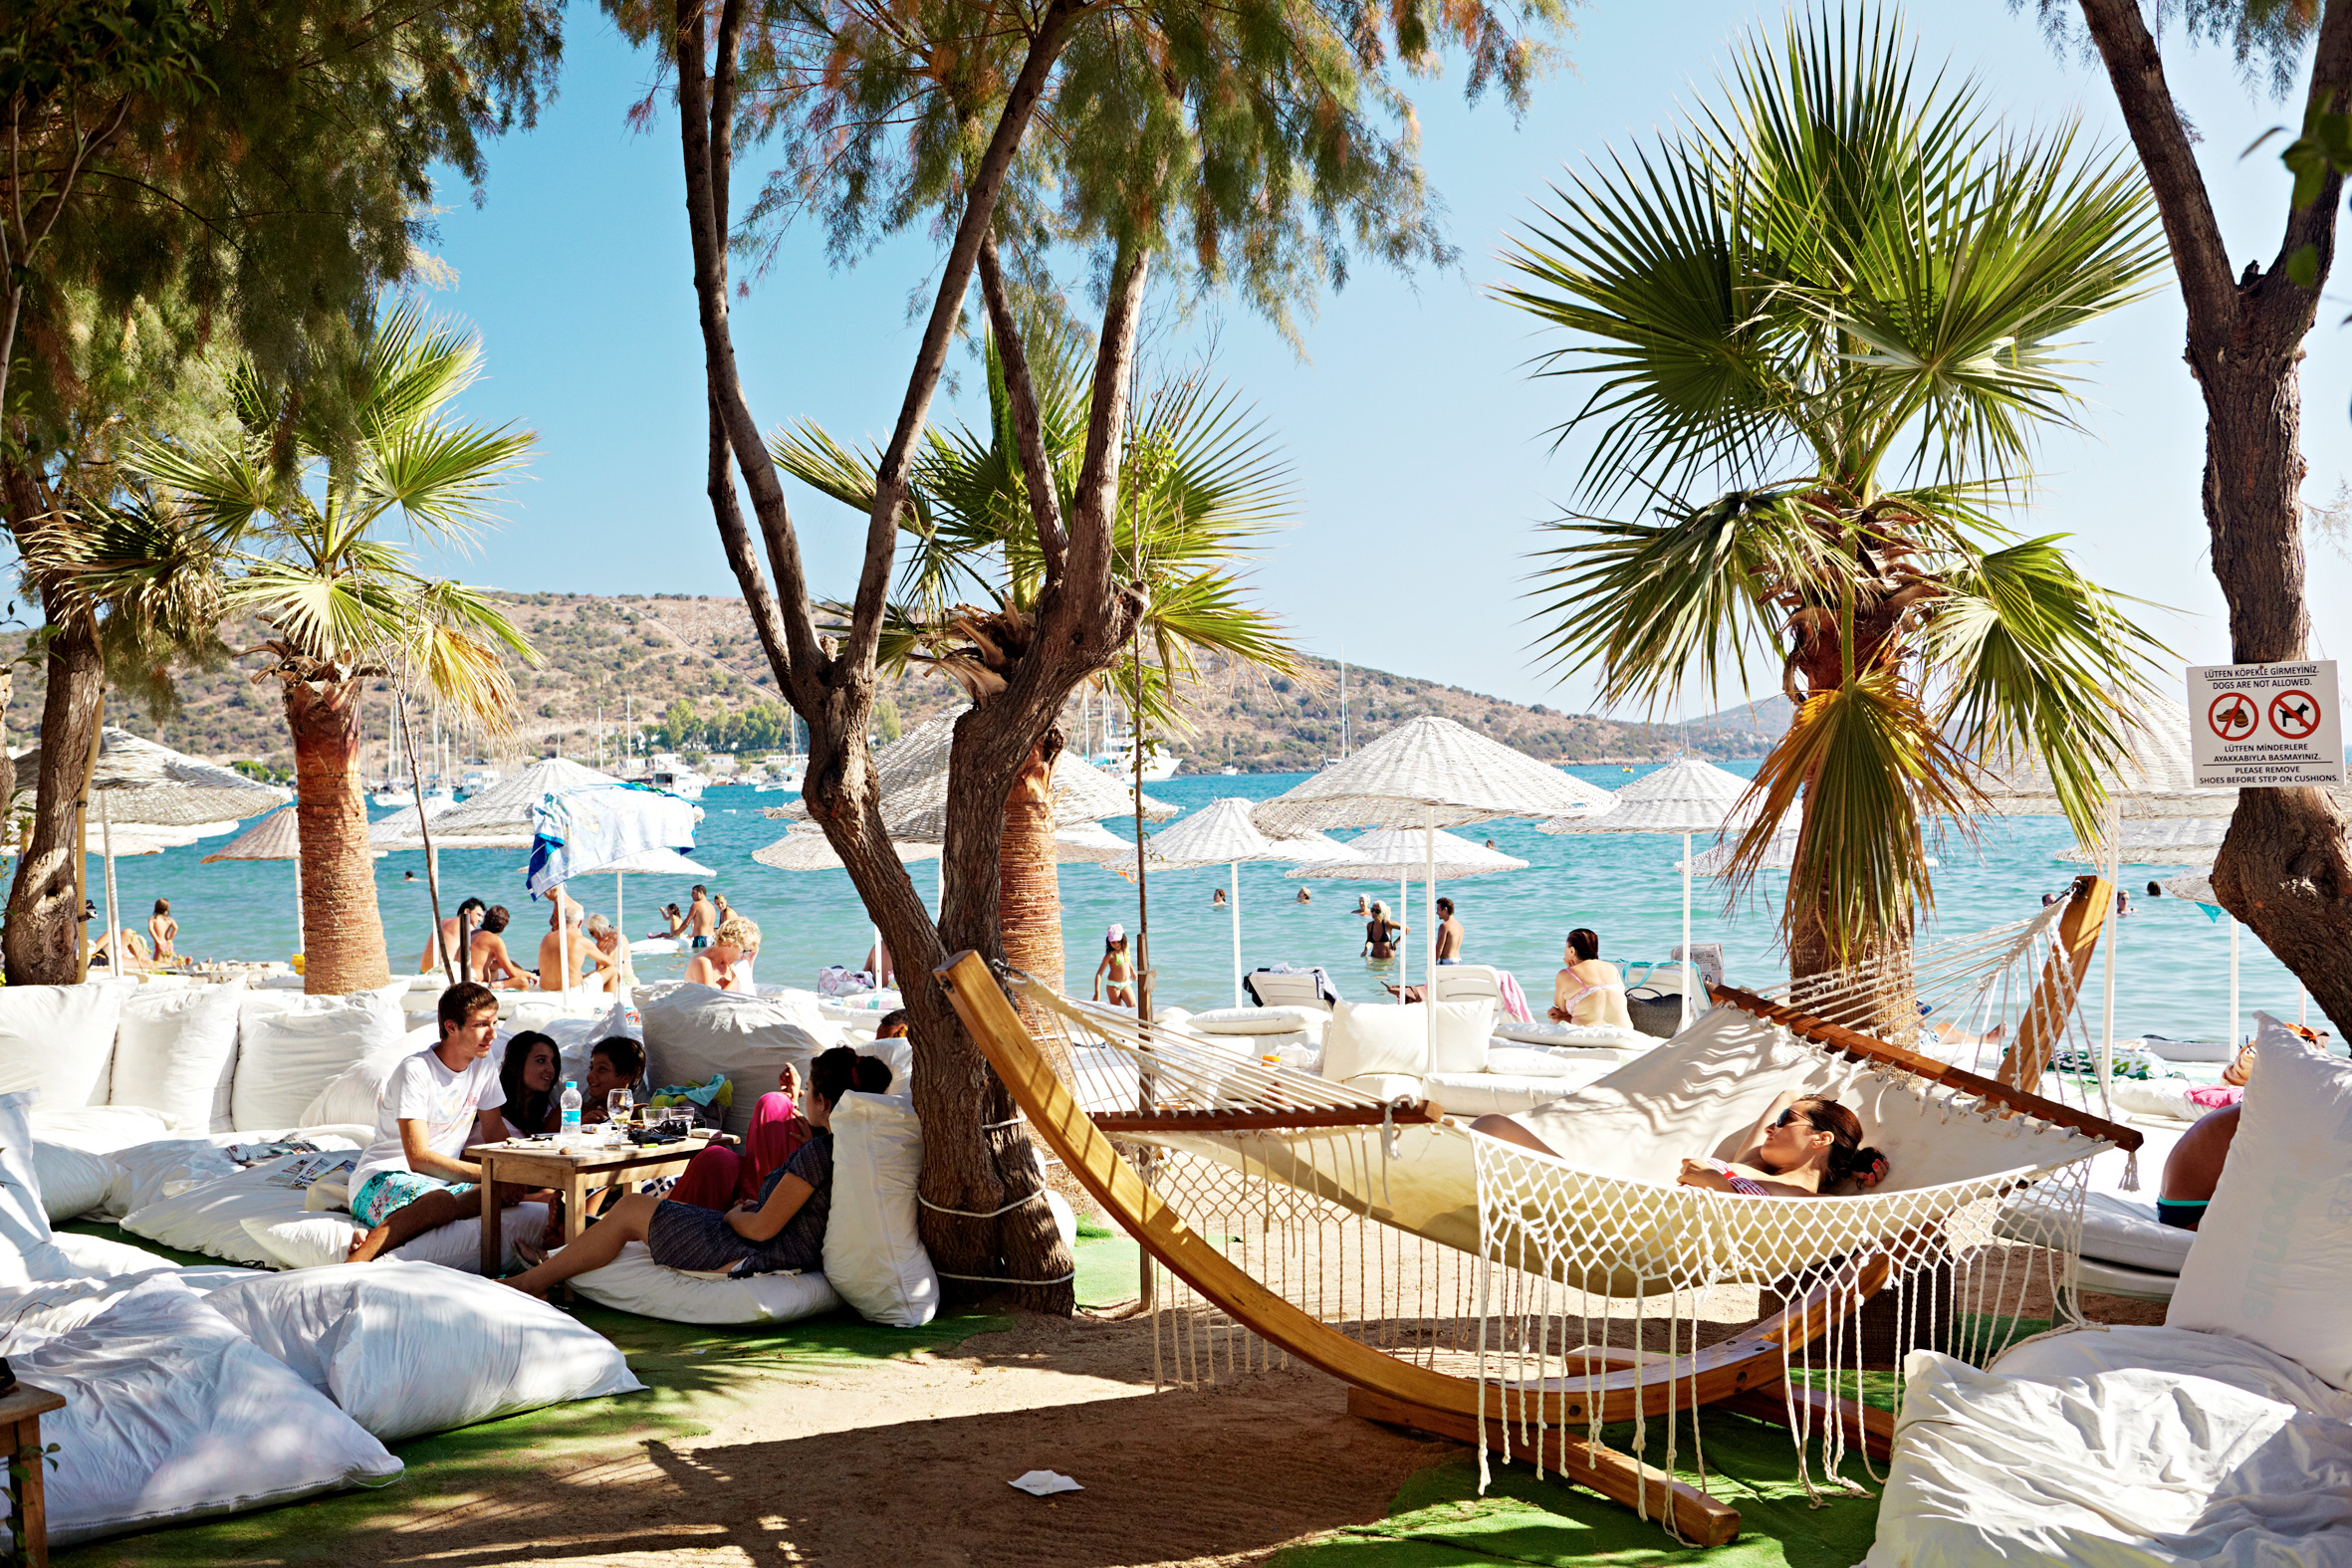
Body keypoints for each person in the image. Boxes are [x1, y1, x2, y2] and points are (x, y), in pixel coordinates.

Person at [503, 1045, 871, 1290]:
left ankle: (532, 1281)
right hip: (767, 1245)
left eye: (808, 1091)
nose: (801, 1100)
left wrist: (733, 1217)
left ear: (823, 1102)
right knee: (710, 1163)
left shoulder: (817, 1153)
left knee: (631, 1207)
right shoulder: (847, 1147)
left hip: (748, 1252)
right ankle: (562, 1255)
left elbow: (760, 1230)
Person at [347, 983, 517, 1261]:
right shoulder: (416, 1071)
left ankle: (395, 1224)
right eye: (481, 1025)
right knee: (440, 1201)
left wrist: (518, 1171)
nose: (492, 1034)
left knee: (503, 1192)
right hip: (382, 1177)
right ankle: (354, 1263)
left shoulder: (482, 1064)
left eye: (494, 1023)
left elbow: (495, 1133)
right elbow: (418, 1158)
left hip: (440, 1186)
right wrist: (490, 1174)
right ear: (451, 1027)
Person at [1472, 1091, 1890, 1199]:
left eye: (1784, 1123)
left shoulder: (1806, 1199)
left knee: (1492, 1127)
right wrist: (1854, 1158)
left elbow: (1766, 1221)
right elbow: (1787, 1093)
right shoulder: (1755, 1166)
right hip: (1619, 1196)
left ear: (1820, 1139)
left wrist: (1720, 1184)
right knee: (1493, 1125)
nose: (1770, 1128)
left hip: (1630, 1219)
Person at [667, 1057, 821, 1210]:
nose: (804, 1095)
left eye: (808, 1089)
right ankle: (667, 1219)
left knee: (773, 1101)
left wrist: (814, 1147)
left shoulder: (827, 1149)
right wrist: (791, 1106)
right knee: (716, 1158)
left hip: (780, 1202)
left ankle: (755, 1207)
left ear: (822, 1102)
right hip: (770, 1180)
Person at [1550, 928, 1632, 1028]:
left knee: (1557, 1019)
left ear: (1572, 951)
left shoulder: (1566, 974)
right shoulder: (1612, 968)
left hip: (1589, 1033)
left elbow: (1561, 1009)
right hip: (1623, 1031)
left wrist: (1569, 969)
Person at [537, 901, 617, 995]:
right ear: (579, 923)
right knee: (613, 970)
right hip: (572, 992)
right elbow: (610, 963)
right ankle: (608, 1003)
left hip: (545, 991)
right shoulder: (581, 941)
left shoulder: (546, 938)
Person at [499, 1030, 564, 1136]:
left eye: (553, 1062)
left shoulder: (549, 1114)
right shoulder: (490, 1111)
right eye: (541, 1061)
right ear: (518, 1063)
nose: (551, 1069)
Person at [582, 1036, 646, 1125]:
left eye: (602, 1069)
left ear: (626, 1077)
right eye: (591, 1068)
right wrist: (580, 1126)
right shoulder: (575, 1113)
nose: (590, 1075)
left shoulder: (642, 1116)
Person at [684, 914, 756, 991]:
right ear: (729, 944)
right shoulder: (703, 962)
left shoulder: (729, 966)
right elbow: (711, 997)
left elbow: (747, 989)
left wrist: (750, 963)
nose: (743, 956)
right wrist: (737, 979)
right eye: (743, 951)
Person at [422, 897, 487, 977]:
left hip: (423, 971)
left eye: (482, 917)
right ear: (467, 912)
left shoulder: (444, 921)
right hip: (442, 972)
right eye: (478, 915)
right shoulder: (465, 925)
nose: (480, 920)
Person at [469, 906, 532, 989]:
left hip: (466, 980)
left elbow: (482, 962)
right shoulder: (495, 940)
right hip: (476, 986)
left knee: (499, 968)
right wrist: (530, 974)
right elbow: (512, 973)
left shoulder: (473, 933)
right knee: (522, 982)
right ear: (503, 927)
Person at [1093, 925, 1136, 1008]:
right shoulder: (1110, 955)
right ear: (1109, 942)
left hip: (1125, 983)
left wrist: (1132, 971)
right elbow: (1099, 974)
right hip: (1113, 986)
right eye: (1113, 942)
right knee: (1117, 1009)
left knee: (1133, 1007)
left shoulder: (1127, 946)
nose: (1116, 945)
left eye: (1118, 941)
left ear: (1123, 938)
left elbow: (1127, 960)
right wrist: (1097, 993)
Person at [585, 914, 625, 993]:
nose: (592, 936)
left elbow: (599, 972)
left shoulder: (602, 943)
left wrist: (582, 977)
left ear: (598, 929)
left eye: (591, 933)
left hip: (617, 982)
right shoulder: (621, 936)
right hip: (631, 979)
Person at [685, 885, 718, 949]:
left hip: (701, 939)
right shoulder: (712, 907)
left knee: (698, 955)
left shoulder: (696, 905)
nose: (691, 895)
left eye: (693, 893)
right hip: (712, 938)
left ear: (700, 893)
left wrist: (675, 934)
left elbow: (686, 923)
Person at [1434, 897, 1464, 965]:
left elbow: (1439, 949)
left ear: (1445, 910)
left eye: (1438, 909)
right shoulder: (1460, 926)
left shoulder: (1444, 926)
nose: (1436, 912)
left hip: (1447, 961)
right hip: (1457, 960)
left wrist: (1432, 964)